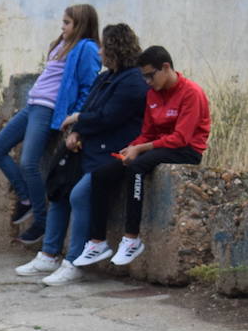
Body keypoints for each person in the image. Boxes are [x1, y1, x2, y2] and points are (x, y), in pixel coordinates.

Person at [16, 23, 146, 285]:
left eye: (104, 47)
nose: (99, 52)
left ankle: (74, 262)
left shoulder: (132, 81)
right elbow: (90, 108)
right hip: (87, 149)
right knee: (59, 191)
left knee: (79, 195)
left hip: (111, 154)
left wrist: (77, 120)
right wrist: (76, 132)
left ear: (116, 48)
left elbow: (108, 117)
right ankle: (49, 254)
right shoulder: (105, 77)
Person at [81, 46, 212, 267]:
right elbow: (148, 133)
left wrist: (141, 149)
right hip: (158, 147)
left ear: (166, 67)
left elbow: (181, 138)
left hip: (186, 150)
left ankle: (132, 238)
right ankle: (97, 242)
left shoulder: (191, 92)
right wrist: (131, 147)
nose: (148, 82)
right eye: (144, 77)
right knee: (102, 173)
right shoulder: (152, 94)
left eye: (150, 75)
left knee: (137, 167)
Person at [0, 4, 101, 244]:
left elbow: (89, 86)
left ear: (80, 25)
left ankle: (41, 220)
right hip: (32, 104)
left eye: (67, 22)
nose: (62, 26)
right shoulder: (60, 44)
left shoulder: (86, 48)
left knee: (29, 162)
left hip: (48, 109)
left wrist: (75, 118)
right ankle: (26, 198)